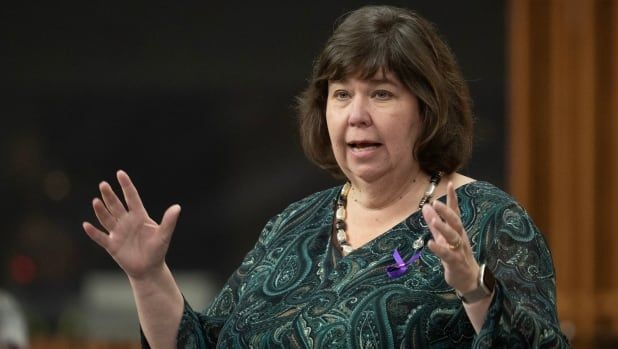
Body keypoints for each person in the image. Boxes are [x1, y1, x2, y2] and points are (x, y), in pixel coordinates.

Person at [83, 5, 569, 348]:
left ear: (426, 110)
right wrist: (148, 277)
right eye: (341, 95)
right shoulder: (293, 226)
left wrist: (473, 286)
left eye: (380, 94)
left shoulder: (488, 220)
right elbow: (204, 344)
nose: (356, 114)